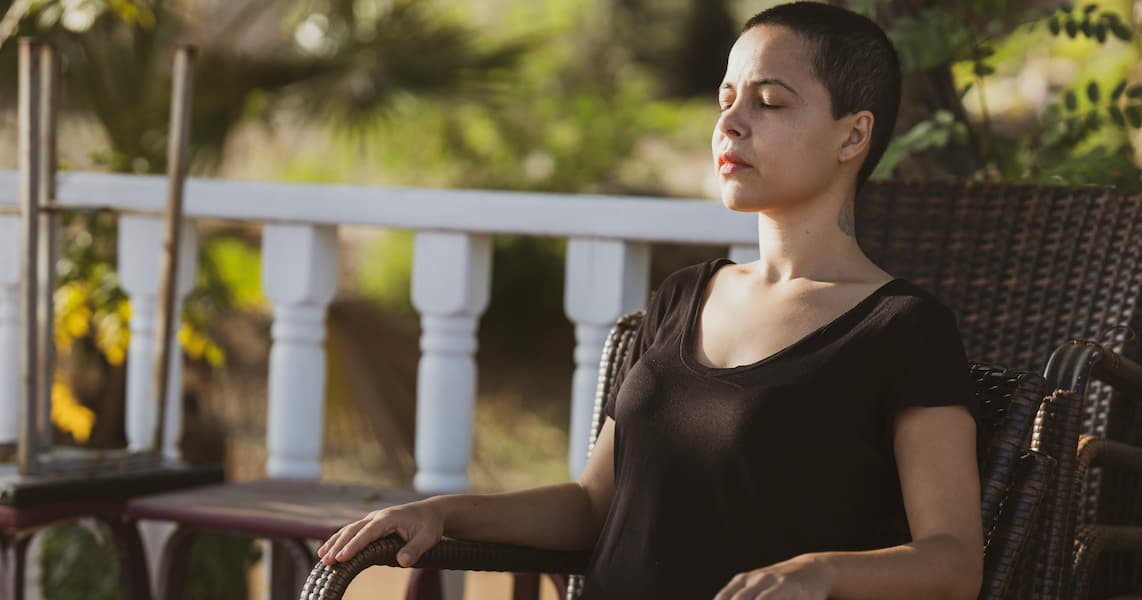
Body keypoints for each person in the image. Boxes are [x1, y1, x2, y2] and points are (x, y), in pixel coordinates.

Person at [319, 2, 983, 598]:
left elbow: (952, 561)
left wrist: (821, 572)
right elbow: (592, 505)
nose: (731, 122)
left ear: (852, 136)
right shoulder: (683, 297)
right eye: (726, 97)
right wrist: (443, 512)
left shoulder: (903, 331)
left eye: (770, 102)